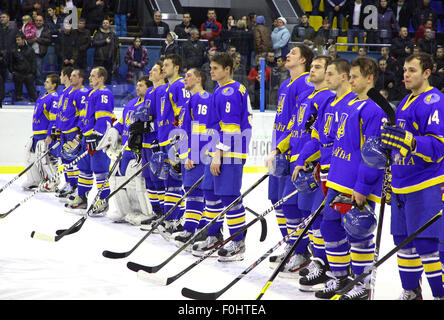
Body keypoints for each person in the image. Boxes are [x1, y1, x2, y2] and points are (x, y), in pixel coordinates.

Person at [314, 57, 387, 300]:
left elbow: (373, 156)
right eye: (351, 76)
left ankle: (362, 284)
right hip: (337, 177)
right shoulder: (348, 105)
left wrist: (363, 186)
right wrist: (324, 167)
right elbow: (335, 141)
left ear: (370, 77)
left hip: (356, 183)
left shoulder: (376, 110)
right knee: (329, 226)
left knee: (359, 231)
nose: (351, 80)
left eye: (356, 76)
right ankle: (340, 277)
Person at [380, 52, 444, 300]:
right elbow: (400, 144)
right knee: (403, 242)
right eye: (405, 70)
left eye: (412, 70)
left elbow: (439, 146)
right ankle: (411, 291)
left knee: (427, 243)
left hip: (426, 182)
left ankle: (439, 295)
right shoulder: (406, 101)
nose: (405, 74)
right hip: (401, 183)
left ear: (427, 73)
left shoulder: (435, 101)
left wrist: (411, 142)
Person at [295, 58, 357, 291]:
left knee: (347, 226)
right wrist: (304, 160)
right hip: (327, 174)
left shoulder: (355, 104)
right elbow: (319, 139)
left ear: (344, 76)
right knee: (326, 222)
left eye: (330, 73)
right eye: (326, 73)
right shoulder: (329, 104)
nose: (326, 78)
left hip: (345, 175)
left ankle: (346, 273)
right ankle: (331, 269)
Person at [272, 56, 336, 278]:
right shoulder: (306, 97)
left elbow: (322, 137)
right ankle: (301, 253)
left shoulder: (327, 98)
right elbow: (296, 129)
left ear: (329, 73)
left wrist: (309, 160)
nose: (312, 70)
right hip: (298, 161)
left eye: (318, 67)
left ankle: (321, 261)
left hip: (313, 165)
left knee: (315, 216)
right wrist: (279, 149)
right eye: (311, 66)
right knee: (293, 208)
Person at [194, 52, 252, 262]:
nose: (211, 71)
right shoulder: (219, 90)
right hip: (216, 150)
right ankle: (213, 236)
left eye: (215, 68)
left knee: (229, 196)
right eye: (211, 68)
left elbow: (231, 127)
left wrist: (218, 153)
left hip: (230, 151)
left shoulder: (231, 91)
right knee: (210, 192)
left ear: (227, 69)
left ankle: (238, 242)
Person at [264, 44, 314, 266]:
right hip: (280, 148)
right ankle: (290, 243)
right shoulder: (285, 83)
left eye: (294, 53)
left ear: (304, 60)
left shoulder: (305, 83)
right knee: (277, 199)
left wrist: (289, 150)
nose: (288, 55)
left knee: (290, 202)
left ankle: (300, 249)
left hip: (292, 152)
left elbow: (300, 121)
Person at [98, 75, 154, 225]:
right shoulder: (130, 104)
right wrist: (113, 131)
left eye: (141, 85)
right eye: (137, 85)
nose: (137, 87)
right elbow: (122, 122)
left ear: (149, 88)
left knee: (136, 182)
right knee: (118, 179)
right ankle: (126, 211)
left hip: (139, 149)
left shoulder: (150, 104)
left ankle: (145, 212)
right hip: (125, 149)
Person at [144, 54, 187, 237]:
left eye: (167, 65)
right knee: (168, 182)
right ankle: (170, 218)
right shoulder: (167, 88)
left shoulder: (179, 85)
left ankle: (175, 220)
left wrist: (179, 138)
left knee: (175, 182)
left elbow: (184, 112)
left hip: (173, 140)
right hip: (164, 139)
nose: (163, 69)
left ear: (176, 67)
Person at [65, 66, 114, 216]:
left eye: (93, 76)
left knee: (100, 171)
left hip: (98, 140)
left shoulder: (104, 93)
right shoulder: (92, 93)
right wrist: (80, 134)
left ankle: (103, 201)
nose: (90, 78)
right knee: (84, 169)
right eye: (91, 75)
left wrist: (96, 135)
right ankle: (82, 198)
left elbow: (104, 118)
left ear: (101, 78)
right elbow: (85, 117)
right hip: (87, 137)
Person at [171, 68, 212, 245]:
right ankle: (191, 228)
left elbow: (201, 131)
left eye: (189, 76)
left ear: (199, 78)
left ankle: (203, 229)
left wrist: (192, 155)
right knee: (192, 193)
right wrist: (183, 153)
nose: (185, 79)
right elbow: (185, 131)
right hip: (190, 155)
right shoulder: (190, 101)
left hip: (200, 157)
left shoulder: (203, 98)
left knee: (202, 193)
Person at [54, 68, 89, 201]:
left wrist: (79, 132)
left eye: (62, 74)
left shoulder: (81, 93)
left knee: (74, 160)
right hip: (64, 131)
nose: (60, 77)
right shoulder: (65, 92)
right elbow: (61, 113)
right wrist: (58, 130)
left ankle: (75, 186)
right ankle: (70, 183)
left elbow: (82, 113)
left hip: (73, 132)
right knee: (66, 159)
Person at [22, 73, 59, 191]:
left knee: (44, 159)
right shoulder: (42, 96)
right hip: (36, 134)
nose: (45, 83)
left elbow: (53, 118)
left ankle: (53, 181)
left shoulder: (54, 97)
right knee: (29, 156)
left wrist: (50, 134)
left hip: (44, 135)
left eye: (48, 82)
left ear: (54, 85)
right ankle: (34, 180)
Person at [10, 33, 38, 102]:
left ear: (23, 40)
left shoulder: (30, 50)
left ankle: (34, 99)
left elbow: (33, 62)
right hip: (18, 73)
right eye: (16, 40)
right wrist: (12, 71)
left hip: (28, 73)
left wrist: (32, 72)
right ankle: (18, 98)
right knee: (17, 80)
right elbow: (11, 62)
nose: (17, 42)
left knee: (30, 82)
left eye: (19, 40)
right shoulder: (14, 50)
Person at [92, 19, 120, 85]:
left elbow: (116, 48)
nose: (105, 24)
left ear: (109, 24)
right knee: (98, 76)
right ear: (102, 24)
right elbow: (94, 43)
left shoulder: (113, 35)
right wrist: (105, 41)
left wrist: (117, 61)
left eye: (107, 23)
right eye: (104, 23)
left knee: (108, 78)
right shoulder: (97, 34)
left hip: (109, 60)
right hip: (99, 59)